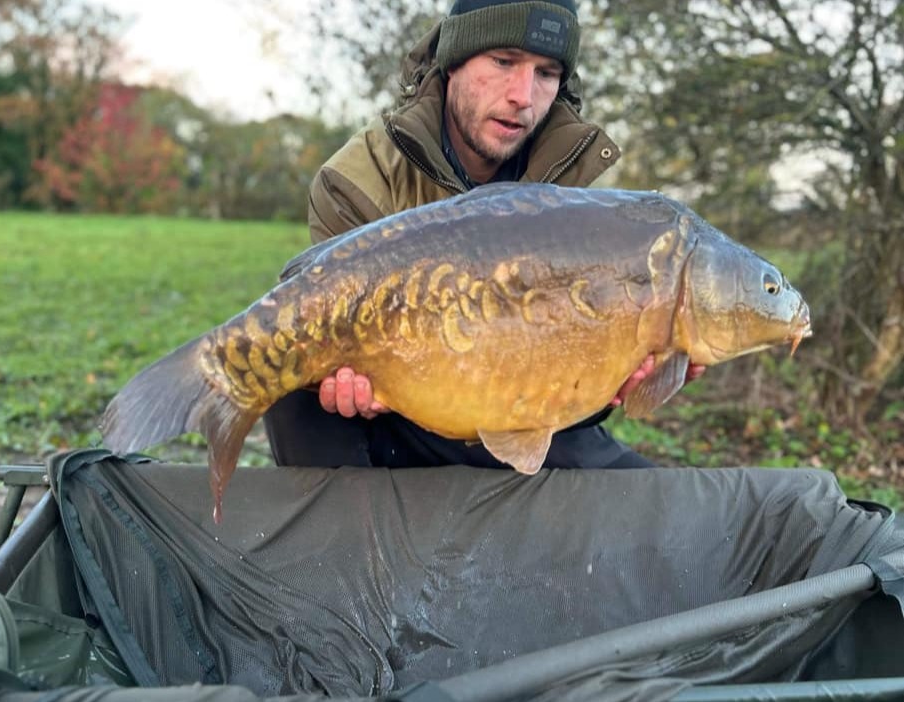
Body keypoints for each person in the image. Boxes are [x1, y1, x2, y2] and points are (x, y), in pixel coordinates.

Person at [264, 0, 704, 470]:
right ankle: (349, 536)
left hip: (514, 405)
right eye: (503, 62)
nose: (523, 95)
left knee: (646, 499)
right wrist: (354, 380)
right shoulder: (358, 179)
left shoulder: (568, 184)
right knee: (290, 382)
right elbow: (325, 327)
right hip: (397, 414)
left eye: (547, 73)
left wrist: (618, 379)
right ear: (453, 61)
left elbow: (558, 367)